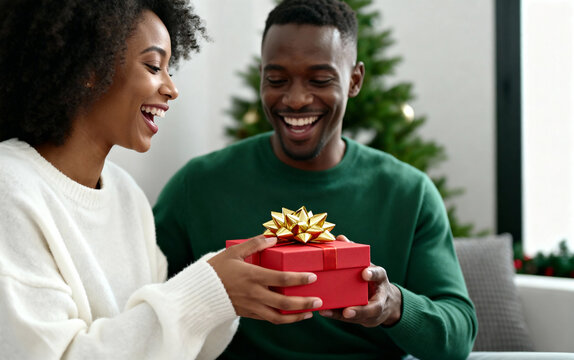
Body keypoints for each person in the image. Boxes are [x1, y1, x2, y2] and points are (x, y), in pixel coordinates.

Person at [0, 0, 322, 358]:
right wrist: (210, 290)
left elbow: (163, 348)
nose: (171, 88)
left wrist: (228, 292)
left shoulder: (126, 195)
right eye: (154, 67)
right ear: (92, 69)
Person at [154, 0, 478, 359]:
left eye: (320, 80)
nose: (295, 100)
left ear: (354, 80)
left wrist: (394, 306)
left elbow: (459, 333)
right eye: (276, 80)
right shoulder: (199, 185)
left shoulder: (408, 193)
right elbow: (139, 305)